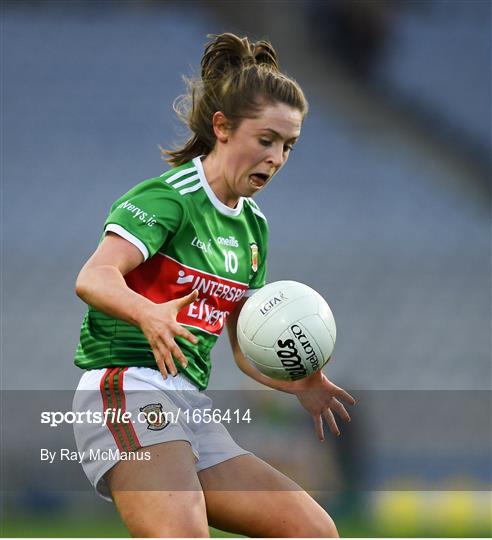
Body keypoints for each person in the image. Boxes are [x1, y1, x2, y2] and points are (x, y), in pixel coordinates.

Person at [72, 32, 355, 538]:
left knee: (314, 532)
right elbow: (93, 277)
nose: (277, 158)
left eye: (288, 146)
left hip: (188, 405)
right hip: (126, 389)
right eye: (266, 140)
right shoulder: (171, 199)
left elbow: (243, 342)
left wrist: (297, 380)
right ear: (222, 127)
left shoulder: (253, 226)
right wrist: (148, 312)